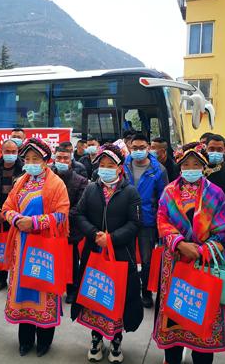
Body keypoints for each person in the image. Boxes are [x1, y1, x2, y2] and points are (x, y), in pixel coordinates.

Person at [154, 142, 225, 364]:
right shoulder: (169, 191)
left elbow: (224, 229)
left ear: (204, 166)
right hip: (175, 261)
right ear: (179, 166)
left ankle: (202, 357)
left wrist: (204, 249)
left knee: (203, 310)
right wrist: (178, 242)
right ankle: (172, 357)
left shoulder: (215, 194)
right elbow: (162, 220)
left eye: (195, 164)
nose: (190, 168)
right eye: (186, 164)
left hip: (205, 262)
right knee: (175, 310)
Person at [72, 143, 143, 364]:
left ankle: (116, 340)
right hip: (93, 253)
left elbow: (135, 223)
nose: (105, 169)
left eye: (110, 165)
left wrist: (111, 238)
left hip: (121, 255)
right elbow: (78, 214)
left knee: (117, 299)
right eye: (101, 165)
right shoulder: (91, 189)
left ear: (120, 167)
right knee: (94, 295)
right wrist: (94, 234)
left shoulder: (130, 192)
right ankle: (96, 338)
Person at [2, 138, 70, 358]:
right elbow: (7, 207)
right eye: (28, 159)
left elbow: (62, 214)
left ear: (45, 161)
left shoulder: (56, 184)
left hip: (44, 247)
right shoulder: (21, 181)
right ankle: (25, 340)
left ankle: (44, 341)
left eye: (35, 159)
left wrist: (35, 222)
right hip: (21, 246)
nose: (30, 163)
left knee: (43, 287)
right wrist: (16, 219)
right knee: (23, 291)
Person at [124, 133, 167, 309]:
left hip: (147, 220)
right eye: (135, 148)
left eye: (142, 148)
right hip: (125, 218)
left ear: (148, 148)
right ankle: (128, 290)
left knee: (147, 259)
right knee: (127, 257)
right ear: (130, 147)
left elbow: (164, 198)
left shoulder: (158, 170)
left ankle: (146, 292)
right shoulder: (123, 165)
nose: (139, 151)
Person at [52, 146, 88, 304]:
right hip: (50, 226)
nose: (62, 161)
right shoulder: (48, 177)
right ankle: (54, 285)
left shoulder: (80, 181)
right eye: (59, 158)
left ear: (71, 160)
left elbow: (80, 206)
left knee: (72, 261)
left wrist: (60, 217)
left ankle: (72, 289)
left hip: (70, 228)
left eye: (65, 158)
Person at [0, 139, 25, 292]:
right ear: (1, 151)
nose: (10, 155)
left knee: (18, 246)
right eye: (7, 152)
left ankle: (17, 279)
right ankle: (1, 277)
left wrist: (13, 213)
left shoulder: (24, 167)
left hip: (17, 214)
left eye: (14, 152)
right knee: (1, 247)